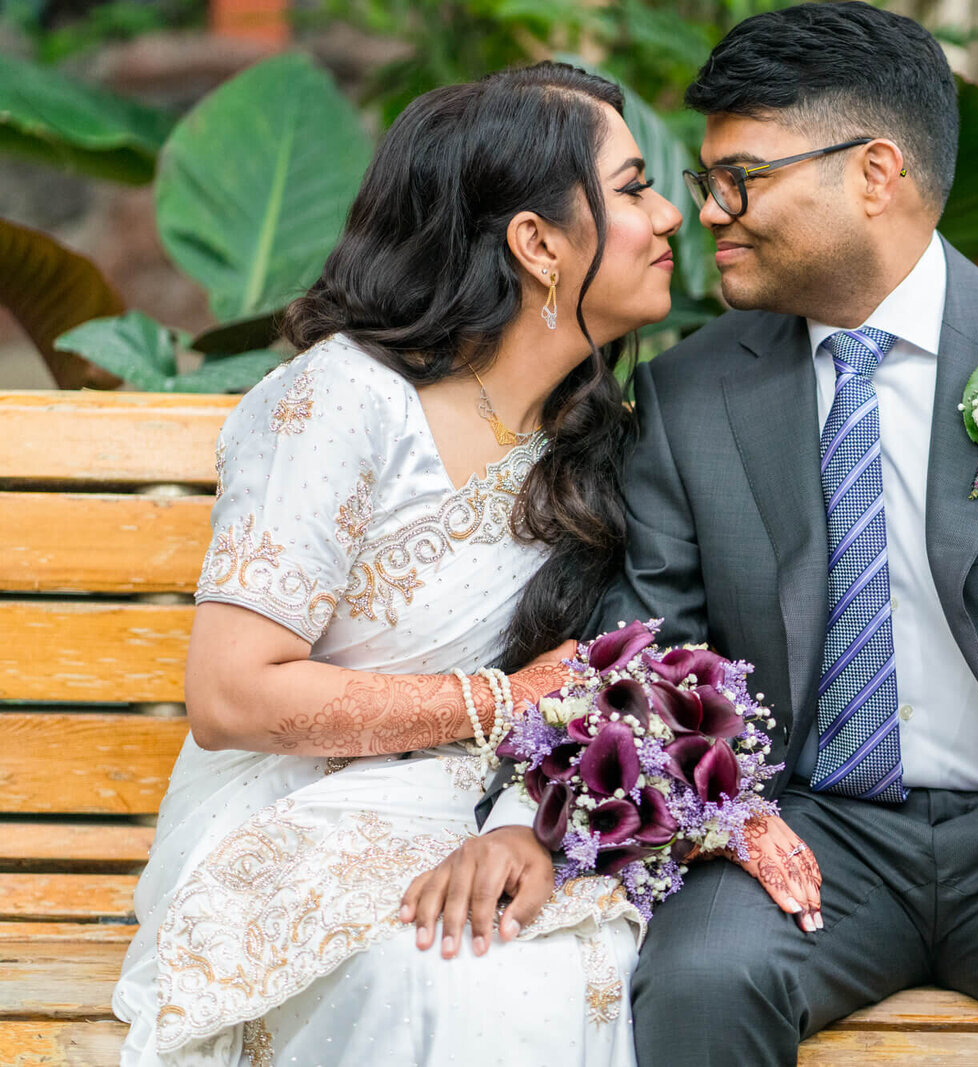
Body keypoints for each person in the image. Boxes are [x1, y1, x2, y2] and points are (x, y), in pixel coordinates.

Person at [441, 3, 978, 1065]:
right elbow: (645, 652)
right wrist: (540, 808)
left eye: (740, 177)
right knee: (705, 978)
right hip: (802, 825)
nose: (709, 210)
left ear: (874, 173)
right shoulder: (688, 390)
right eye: (709, 180)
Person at [114, 61, 694, 1067]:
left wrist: (529, 813)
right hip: (294, 816)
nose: (672, 214)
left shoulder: (599, 442)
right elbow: (230, 693)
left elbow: (602, 682)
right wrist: (497, 702)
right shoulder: (341, 402)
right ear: (538, 244)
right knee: (448, 971)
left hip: (496, 814)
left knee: (574, 961)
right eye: (636, 186)